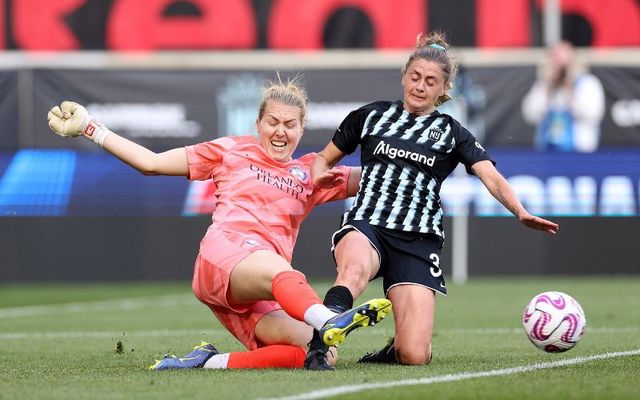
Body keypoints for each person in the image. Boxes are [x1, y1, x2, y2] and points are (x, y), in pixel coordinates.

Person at [46, 76, 391, 371]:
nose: (281, 132)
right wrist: (92, 129)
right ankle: (328, 318)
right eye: (273, 122)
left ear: (302, 129)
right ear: (257, 124)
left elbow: (381, 176)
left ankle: (205, 361)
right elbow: (151, 163)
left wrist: (410, 146)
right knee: (283, 275)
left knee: (321, 353)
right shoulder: (231, 151)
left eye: (290, 125)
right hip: (223, 258)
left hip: (260, 286)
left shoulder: (311, 171)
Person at [306, 32, 559, 366]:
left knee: (415, 355)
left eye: (430, 81)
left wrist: (520, 212)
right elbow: (323, 159)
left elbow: (490, 175)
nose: (420, 86)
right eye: (415, 77)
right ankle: (321, 347)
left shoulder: (453, 133)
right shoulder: (370, 116)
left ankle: (393, 349)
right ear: (403, 76)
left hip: (417, 240)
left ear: (443, 90)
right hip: (368, 224)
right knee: (353, 271)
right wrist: (319, 173)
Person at [521, 40, 605, 152]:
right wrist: (547, 89)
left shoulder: (588, 83)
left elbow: (593, 115)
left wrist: (570, 91)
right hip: (547, 151)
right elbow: (530, 115)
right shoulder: (544, 84)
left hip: (580, 152)